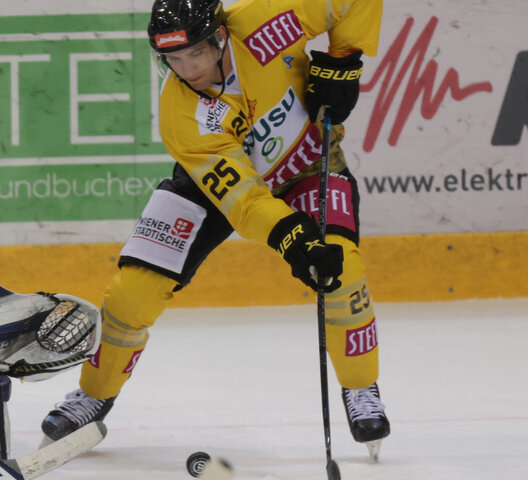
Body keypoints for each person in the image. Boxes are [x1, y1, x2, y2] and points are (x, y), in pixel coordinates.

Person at [42, 0, 390, 452]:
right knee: (133, 289)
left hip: (305, 166)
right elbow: (244, 202)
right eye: (173, 59)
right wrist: (291, 238)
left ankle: (361, 387)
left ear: (220, 37)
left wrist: (345, 59)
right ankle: (93, 394)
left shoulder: (265, 22)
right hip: (213, 186)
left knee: (341, 269)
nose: (187, 70)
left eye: (196, 55)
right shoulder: (180, 115)